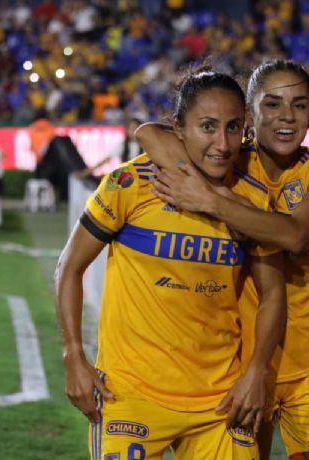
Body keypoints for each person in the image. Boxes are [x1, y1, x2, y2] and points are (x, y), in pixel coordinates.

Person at [135, 60, 309, 460]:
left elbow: (294, 235)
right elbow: (149, 133)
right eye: (273, 104)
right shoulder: (228, 161)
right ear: (249, 115)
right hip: (240, 365)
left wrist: (210, 200)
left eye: (299, 105)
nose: (286, 116)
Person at [55, 69, 287, 460]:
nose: (223, 143)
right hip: (130, 396)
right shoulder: (130, 185)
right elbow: (70, 266)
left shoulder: (249, 203)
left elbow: (273, 294)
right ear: (178, 129)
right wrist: (73, 354)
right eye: (208, 127)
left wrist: (257, 372)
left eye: (234, 128)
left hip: (219, 401)